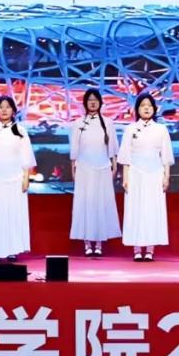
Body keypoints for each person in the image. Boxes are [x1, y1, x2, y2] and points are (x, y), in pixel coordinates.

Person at [0, 96, 36, 261]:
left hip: (15, 179)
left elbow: (26, 157)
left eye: (7, 107)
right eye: (1, 107)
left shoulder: (20, 130)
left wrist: (26, 178)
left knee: (14, 214)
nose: (4, 110)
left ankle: (12, 250)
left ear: (13, 111)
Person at [119, 93, 174, 262]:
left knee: (152, 210)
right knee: (136, 210)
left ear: (154, 109)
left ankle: (150, 249)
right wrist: (125, 177)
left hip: (155, 174)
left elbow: (166, 156)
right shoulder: (130, 129)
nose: (146, 108)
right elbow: (125, 156)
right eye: (143, 105)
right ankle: (137, 249)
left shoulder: (161, 129)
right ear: (137, 109)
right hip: (135, 174)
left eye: (149, 105)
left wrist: (166, 177)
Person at [68, 88, 120, 257]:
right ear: (85, 103)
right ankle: (87, 243)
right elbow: (74, 149)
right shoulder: (78, 123)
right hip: (84, 168)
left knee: (100, 205)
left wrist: (114, 166)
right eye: (89, 100)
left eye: (95, 100)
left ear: (100, 103)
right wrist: (73, 168)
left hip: (103, 169)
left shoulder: (108, 123)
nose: (92, 102)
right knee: (85, 205)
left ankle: (99, 243)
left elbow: (113, 148)